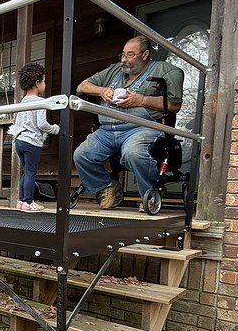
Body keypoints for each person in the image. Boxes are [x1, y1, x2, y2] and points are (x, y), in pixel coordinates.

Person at [73, 36, 183, 209]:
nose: (124, 59)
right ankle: (107, 186)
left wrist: (141, 100)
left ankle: (150, 191)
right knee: (81, 155)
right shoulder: (114, 70)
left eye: (130, 55)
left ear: (145, 54)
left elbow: (174, 105)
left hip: (141, 128)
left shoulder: (164, 70)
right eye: (123, 54)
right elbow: (82, 86)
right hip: (107, 130)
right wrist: (102, 91)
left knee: (133, 153)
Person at [8, 62, 59, 212]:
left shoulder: (22, 102)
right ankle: (29, 202)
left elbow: (17, 122)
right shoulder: (40, 102)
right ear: (37, 83)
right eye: (43, 81)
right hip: (32, 142)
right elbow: (42, 124)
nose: (44, 84)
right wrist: (55, 128)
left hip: (19, 140)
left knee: (26, 171)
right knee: (31, 172)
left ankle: (21, 201)